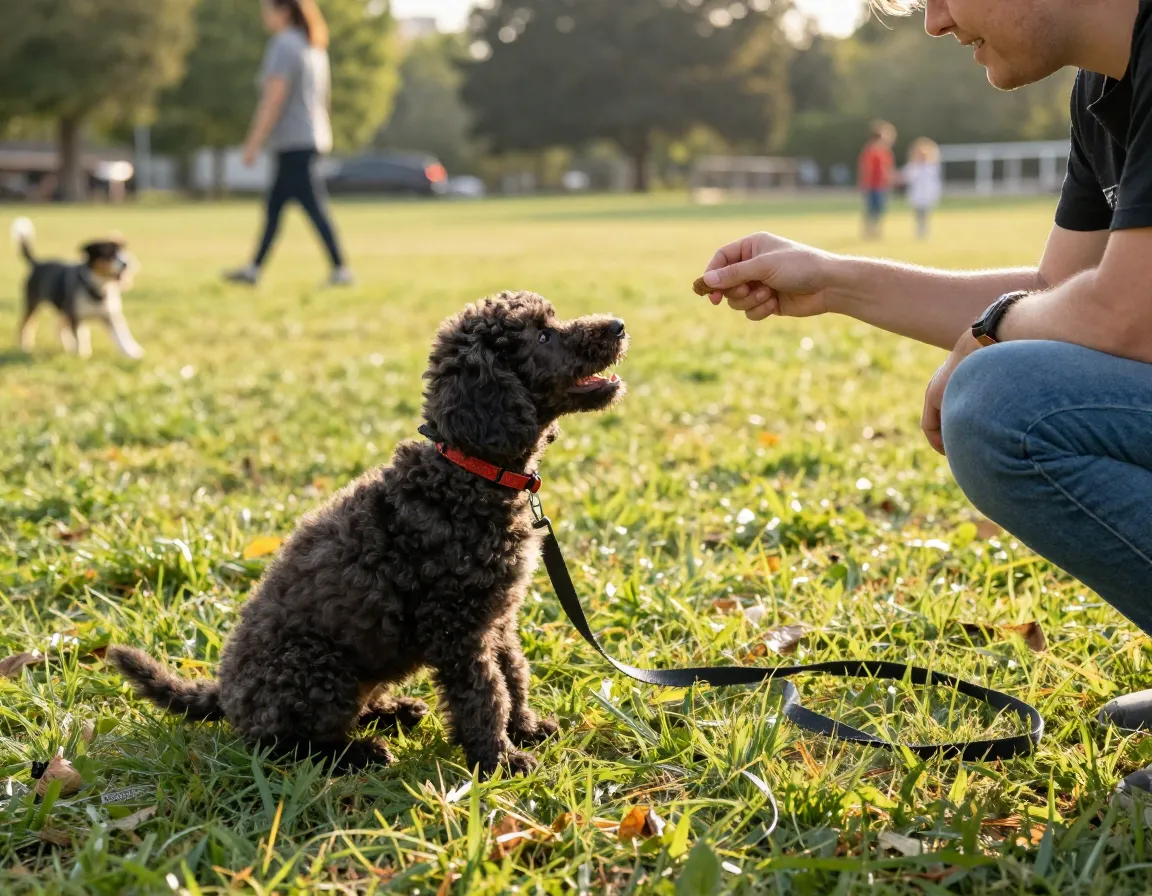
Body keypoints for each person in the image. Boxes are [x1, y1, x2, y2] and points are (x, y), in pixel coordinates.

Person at [698, 0, 1152, 813]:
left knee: (1005, 403)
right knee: (1010, 379)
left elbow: (1121, 316)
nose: (935, 22)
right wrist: (831, 278)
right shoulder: (1104, 89)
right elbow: (1059, 297)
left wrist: (993, 331)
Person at [224, 0, 351, 287]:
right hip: (311, 138)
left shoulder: (284, 45)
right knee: (276, 207)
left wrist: (253, 142)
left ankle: (341, 269)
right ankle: (254, 269)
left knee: (311, 206)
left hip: (294, 141)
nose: (263, 15)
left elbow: (274, 98)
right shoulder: (313, 47)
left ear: (282, 11)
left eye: (266, 9)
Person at [858, 120, 898, 239]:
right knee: (872, 209)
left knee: (880, 209)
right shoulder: (872, 150)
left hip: (882, 185)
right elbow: (868, 169)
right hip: (873, 185)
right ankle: (869, 231)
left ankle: (876, 232)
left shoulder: (884, 151)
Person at [903, 137, 943, 239]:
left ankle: (924, 232)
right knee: (919, 215)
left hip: (928, 195)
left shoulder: (932, 167)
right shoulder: (913, 166)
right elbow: (906, 177)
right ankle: (919, 232)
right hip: (917, 195)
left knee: (926, 214)